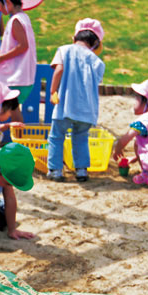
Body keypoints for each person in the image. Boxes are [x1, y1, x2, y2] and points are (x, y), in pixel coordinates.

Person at [46, 18, 106, 182]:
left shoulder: (64, 50)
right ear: (95, 45)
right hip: (87, 108)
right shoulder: (97, 62)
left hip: (65, 104)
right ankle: (81, 170)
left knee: (57, 136)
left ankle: (56, 170)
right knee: (80, 137)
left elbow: (59, 69)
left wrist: (53, 91)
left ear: (74, 38)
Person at [0, 0, 38, 112]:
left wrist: (1, 57)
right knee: (13, 111)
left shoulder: (16, 21)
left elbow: (23, 46)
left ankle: (8, 132)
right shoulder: (22, 18)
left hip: (16, 78)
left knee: (7, 111)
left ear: (7, 3)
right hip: (20, 77)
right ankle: (13, 132)